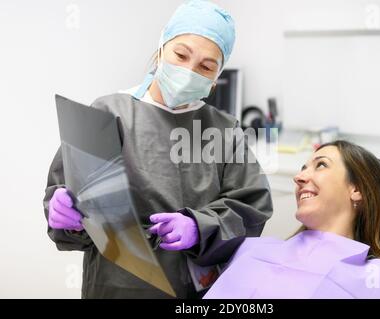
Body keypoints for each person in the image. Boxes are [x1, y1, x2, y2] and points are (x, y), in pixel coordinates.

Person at [43, 0, 273, 299]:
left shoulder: (224, 131)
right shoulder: (108, 112)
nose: (189, 70)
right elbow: (69, 197)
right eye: (181, 54)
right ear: (161, 48)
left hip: (191, 290)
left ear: (216, 78)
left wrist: (199, 227)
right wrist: (60, 211)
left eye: (206, 66)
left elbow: (251, 210)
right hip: (115, 285)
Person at [204, 140, 380, 299]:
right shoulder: (252, 250)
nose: (298, 178)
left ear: (357, 189)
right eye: (303, 169)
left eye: (321, 165)